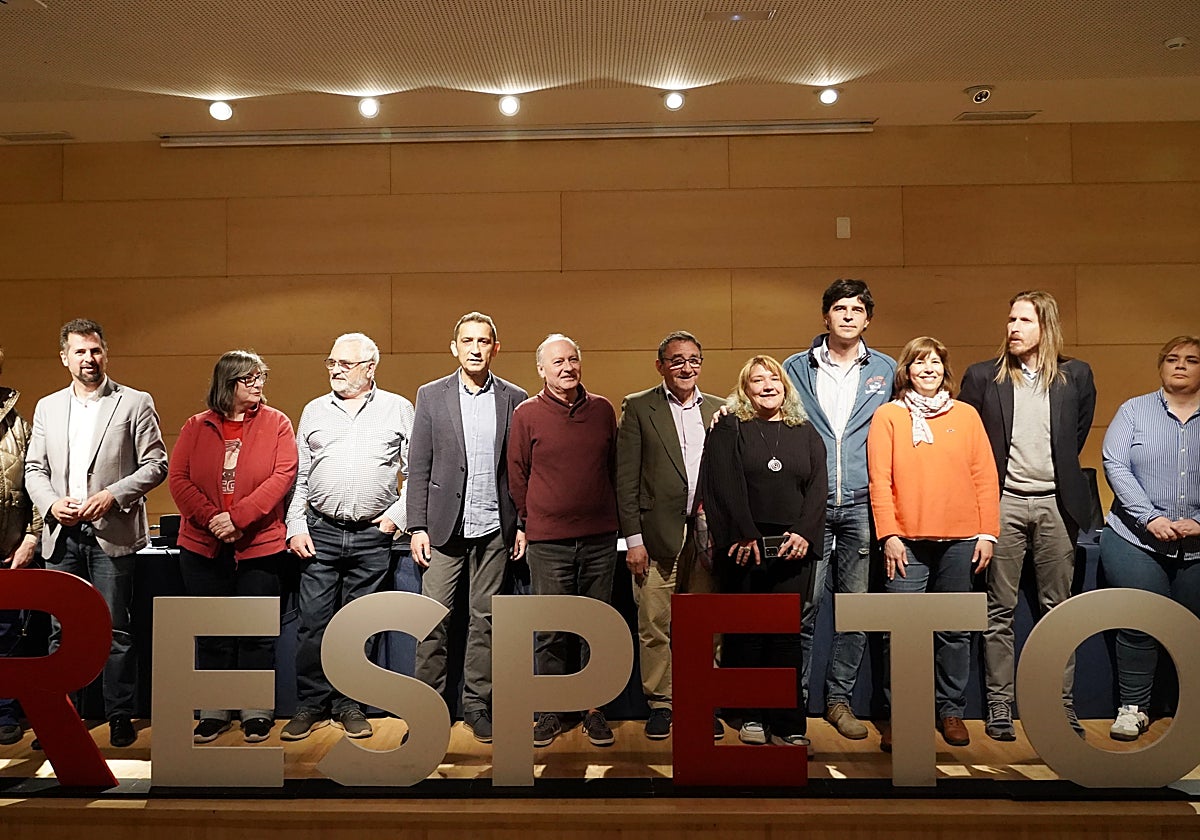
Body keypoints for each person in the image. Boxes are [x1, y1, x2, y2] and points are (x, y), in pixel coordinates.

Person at [24, 318, 168, 748]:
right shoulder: (48, 407)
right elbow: (35, 469)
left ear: (106, 352)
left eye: (96, 350)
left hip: (112, 531)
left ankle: (118, 714)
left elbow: (156, 464)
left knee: (114, 629)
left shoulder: (135, 402)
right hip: (61, 534)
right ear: (64, 357)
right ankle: (59, 716)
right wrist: (51, 503)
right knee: (58, 631)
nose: (89, 359)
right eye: (80, 352)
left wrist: (114, 494)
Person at [959, 291, 1096, 741]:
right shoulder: (983, 377)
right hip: (1003, 504)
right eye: (1010, 318)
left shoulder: (1075, 375)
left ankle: (1060, 707)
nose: (1013, 327)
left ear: (1046, 326)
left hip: (1058, 504)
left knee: (1057, 610)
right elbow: (971, 445)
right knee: (998, 610)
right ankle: (1000, 706)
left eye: (1024, 320)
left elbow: (1073, 438)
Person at [867, 336, 999, 750]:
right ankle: (899, 714)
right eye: (919, 363)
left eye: (936, 363)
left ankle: (951, 710)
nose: (928, 369)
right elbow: (880, 482)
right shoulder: (888, 416)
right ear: (906, 371)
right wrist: (888, 534)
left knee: (955, 631)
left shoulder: (967, 414)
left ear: (946, 370)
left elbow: (984, 477)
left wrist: (988, 533)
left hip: (961, 540)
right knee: (899, 634)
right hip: (905, 540)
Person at [282, 332, 414, 741]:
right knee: (314, 624)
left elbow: (415, 473)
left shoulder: (398, 408)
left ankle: (349, 702)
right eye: (332, 362)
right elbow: (299, 477)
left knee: (359, 625)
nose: (335, 370)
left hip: (373, 534)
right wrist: (296, 524)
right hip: (320, 531)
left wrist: (396, 517)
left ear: (370, 367)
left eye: (345, 363)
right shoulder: (314, 411)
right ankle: (311, 703)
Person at [407, 312, 528, 744]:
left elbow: (520, 468)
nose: (475, 348)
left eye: (484, 341)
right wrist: (416, 525)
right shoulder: (430, 395)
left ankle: (477, 706)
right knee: (431, 620)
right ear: (453, 347)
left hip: (496, 527)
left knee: (487, 621)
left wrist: (522, 523)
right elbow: (418, 466)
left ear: (496, 347)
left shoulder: (515, 397)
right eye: (467, 340)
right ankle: (428, 710)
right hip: (442, 529)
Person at [783, 278, 896, 740]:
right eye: (839, 308)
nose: (848, 315)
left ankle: (839, 700)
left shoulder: (887, 370)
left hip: (863, 507)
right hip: (809, 508)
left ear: (867, 318)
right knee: (803, 610)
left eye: (856, 309)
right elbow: (766, 410)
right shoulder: (795, 367)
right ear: (825, 316)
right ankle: (792, 703)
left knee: (855, 611)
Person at [168, 351, 297, 744]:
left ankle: (255, 711)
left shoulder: (277, 423)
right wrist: (212, 520)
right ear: (228, 384)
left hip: (259, 544)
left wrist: (238, 518)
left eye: (261, 378)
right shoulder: (196, 426)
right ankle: (214, 711)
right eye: (249, 379)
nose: (258, 385)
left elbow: (283, 475)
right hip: (203, 546)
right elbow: (179, 479)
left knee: (256, 631)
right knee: (212, 631)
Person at [700, 354, 826, 747]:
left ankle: (789, 724)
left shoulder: (805, 431)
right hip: (745, 547)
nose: (768, 385)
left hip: (793, 551)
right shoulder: (729, 428)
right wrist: (743, 535)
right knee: (748, 635)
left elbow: (819, 488)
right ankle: (750, 715)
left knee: (787, 638)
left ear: (785, 386)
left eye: (774, 378)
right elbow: (721, 484)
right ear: (745, 389)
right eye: (758, 380)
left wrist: (805, 532)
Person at [508, 333, 619, 748]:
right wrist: (535, 518)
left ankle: (594, 710)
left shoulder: (604, 410)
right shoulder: (526, 414)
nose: (567, 367)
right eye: (557, 362)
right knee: (552, 630)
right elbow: (517, 475)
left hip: (599, 540)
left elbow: (613, 468)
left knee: (598, 629)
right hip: (548, 541)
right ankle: (550, 711)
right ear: (541, 369)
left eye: (572, 359)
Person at [616, 330, 721, 740]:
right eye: (676, 360)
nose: (686, 367)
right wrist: (634, 540)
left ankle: (701, 699)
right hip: (655, 539)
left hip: (707, 540)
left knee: (704, 624)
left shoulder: (720, 409)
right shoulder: (639, 407)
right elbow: (625, 481)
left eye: (693, 359)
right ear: (660, 366)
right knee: (654, 623)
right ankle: (662, 703)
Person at [1100, 336, 1200, 741]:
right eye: (1172, 359)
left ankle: (1188, 711)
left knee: (1190, 628)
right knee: (1140, 624)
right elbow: (1115, 464)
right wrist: (1150, 517)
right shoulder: (1134, 410)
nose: (1180, 366)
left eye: (1191, 360)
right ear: (1161, 366)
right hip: (1135, 539)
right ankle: (1133, 709)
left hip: (1197, 544)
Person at [0, 347, 42, 745]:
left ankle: (4, 713)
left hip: (9, 552)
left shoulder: (20, 426)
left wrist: (32, 535)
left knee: (8, 637)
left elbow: (36, 485)